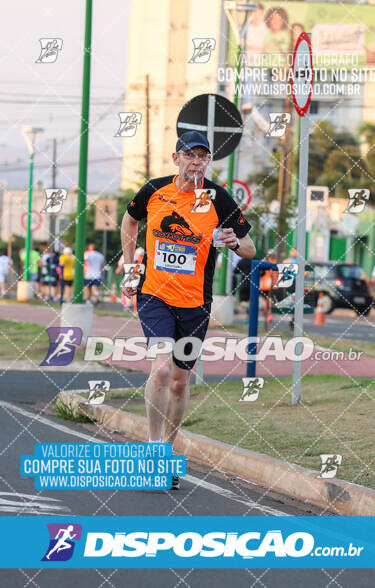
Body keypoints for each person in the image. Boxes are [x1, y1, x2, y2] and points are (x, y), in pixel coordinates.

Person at [120, 130, 255, 489]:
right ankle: (153, 452)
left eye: (202, 157)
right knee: (162, 368)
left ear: (207, 162)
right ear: (176, 157)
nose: (196, 162)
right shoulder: (154, 190)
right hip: (154, 295)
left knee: (180, 383)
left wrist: (234, 241)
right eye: (189, 155)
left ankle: (167, 449)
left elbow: (250, 249)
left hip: (196, 303)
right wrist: (130, 265)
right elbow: (129, 220)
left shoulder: (217, 198)